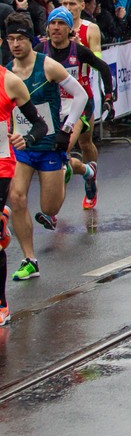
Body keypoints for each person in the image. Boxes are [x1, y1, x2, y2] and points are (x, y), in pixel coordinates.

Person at [5, 13, 88, 281]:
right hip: (22, 148)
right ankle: (30, 259)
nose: (15, 44)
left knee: (49, 209)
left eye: (20, 39)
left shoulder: (48, 66)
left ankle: (75, 170)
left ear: (31, 40)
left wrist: (67, 129)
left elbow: (81, 95)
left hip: (49, 144)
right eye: (10, 39)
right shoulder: (7, 73)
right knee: (16, 198)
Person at [39, 7, 113, 210]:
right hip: (53, 107)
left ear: (69, 28)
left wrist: (109, 96)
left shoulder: (78, 50)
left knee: (68, 147)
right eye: (52, 23)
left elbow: (104, 68)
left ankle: (53, 210)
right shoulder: (40, 50)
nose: (56, 28)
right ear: (47, 28)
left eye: (61, 24)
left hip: (78, 104)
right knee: (71, 147)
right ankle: (88, 173)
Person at [0, 50, 51, 324]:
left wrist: (26, 138)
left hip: (0, 165)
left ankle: (2, 306)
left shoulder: (9, 81)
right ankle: (5, 217)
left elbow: (40, 124)